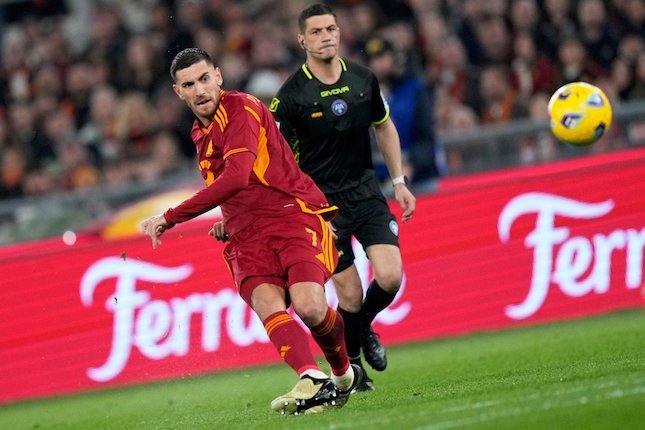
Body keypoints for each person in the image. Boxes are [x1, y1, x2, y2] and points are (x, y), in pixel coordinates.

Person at [140, 47, 361, 415]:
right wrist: (231, 217)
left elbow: (238, 175)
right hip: (246, 232)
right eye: (189, 84)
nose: (200, 90)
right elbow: (243, 180)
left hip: (293, 213)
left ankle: (342, 372)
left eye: (205, 79)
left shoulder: (240, 108)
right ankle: (312, 376)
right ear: (178, 92)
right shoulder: (199, 132)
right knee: (265, 302)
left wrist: (171, 216)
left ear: (219, 76)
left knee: (310, 307)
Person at [270, 4, 416, 392]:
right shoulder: (289, 97)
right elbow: (273, 159)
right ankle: (352, 365)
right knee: (348, 297)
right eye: (316, 32)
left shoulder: (363, 80)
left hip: (365, 192)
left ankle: (363, 331)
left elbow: (384, 127)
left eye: (331, 28)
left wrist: (398, 181)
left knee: (389, 276)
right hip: (320, 207)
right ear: (302, 40)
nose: (326, 36)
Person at [364, 35, 446, 196]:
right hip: (382, 181)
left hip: (419, 179)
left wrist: (411, 165)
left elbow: (426, 136)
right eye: (372, 59)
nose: (377, 64)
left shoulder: (416, 88)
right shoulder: (368, 94)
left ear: (395, 58)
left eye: (382, 57)